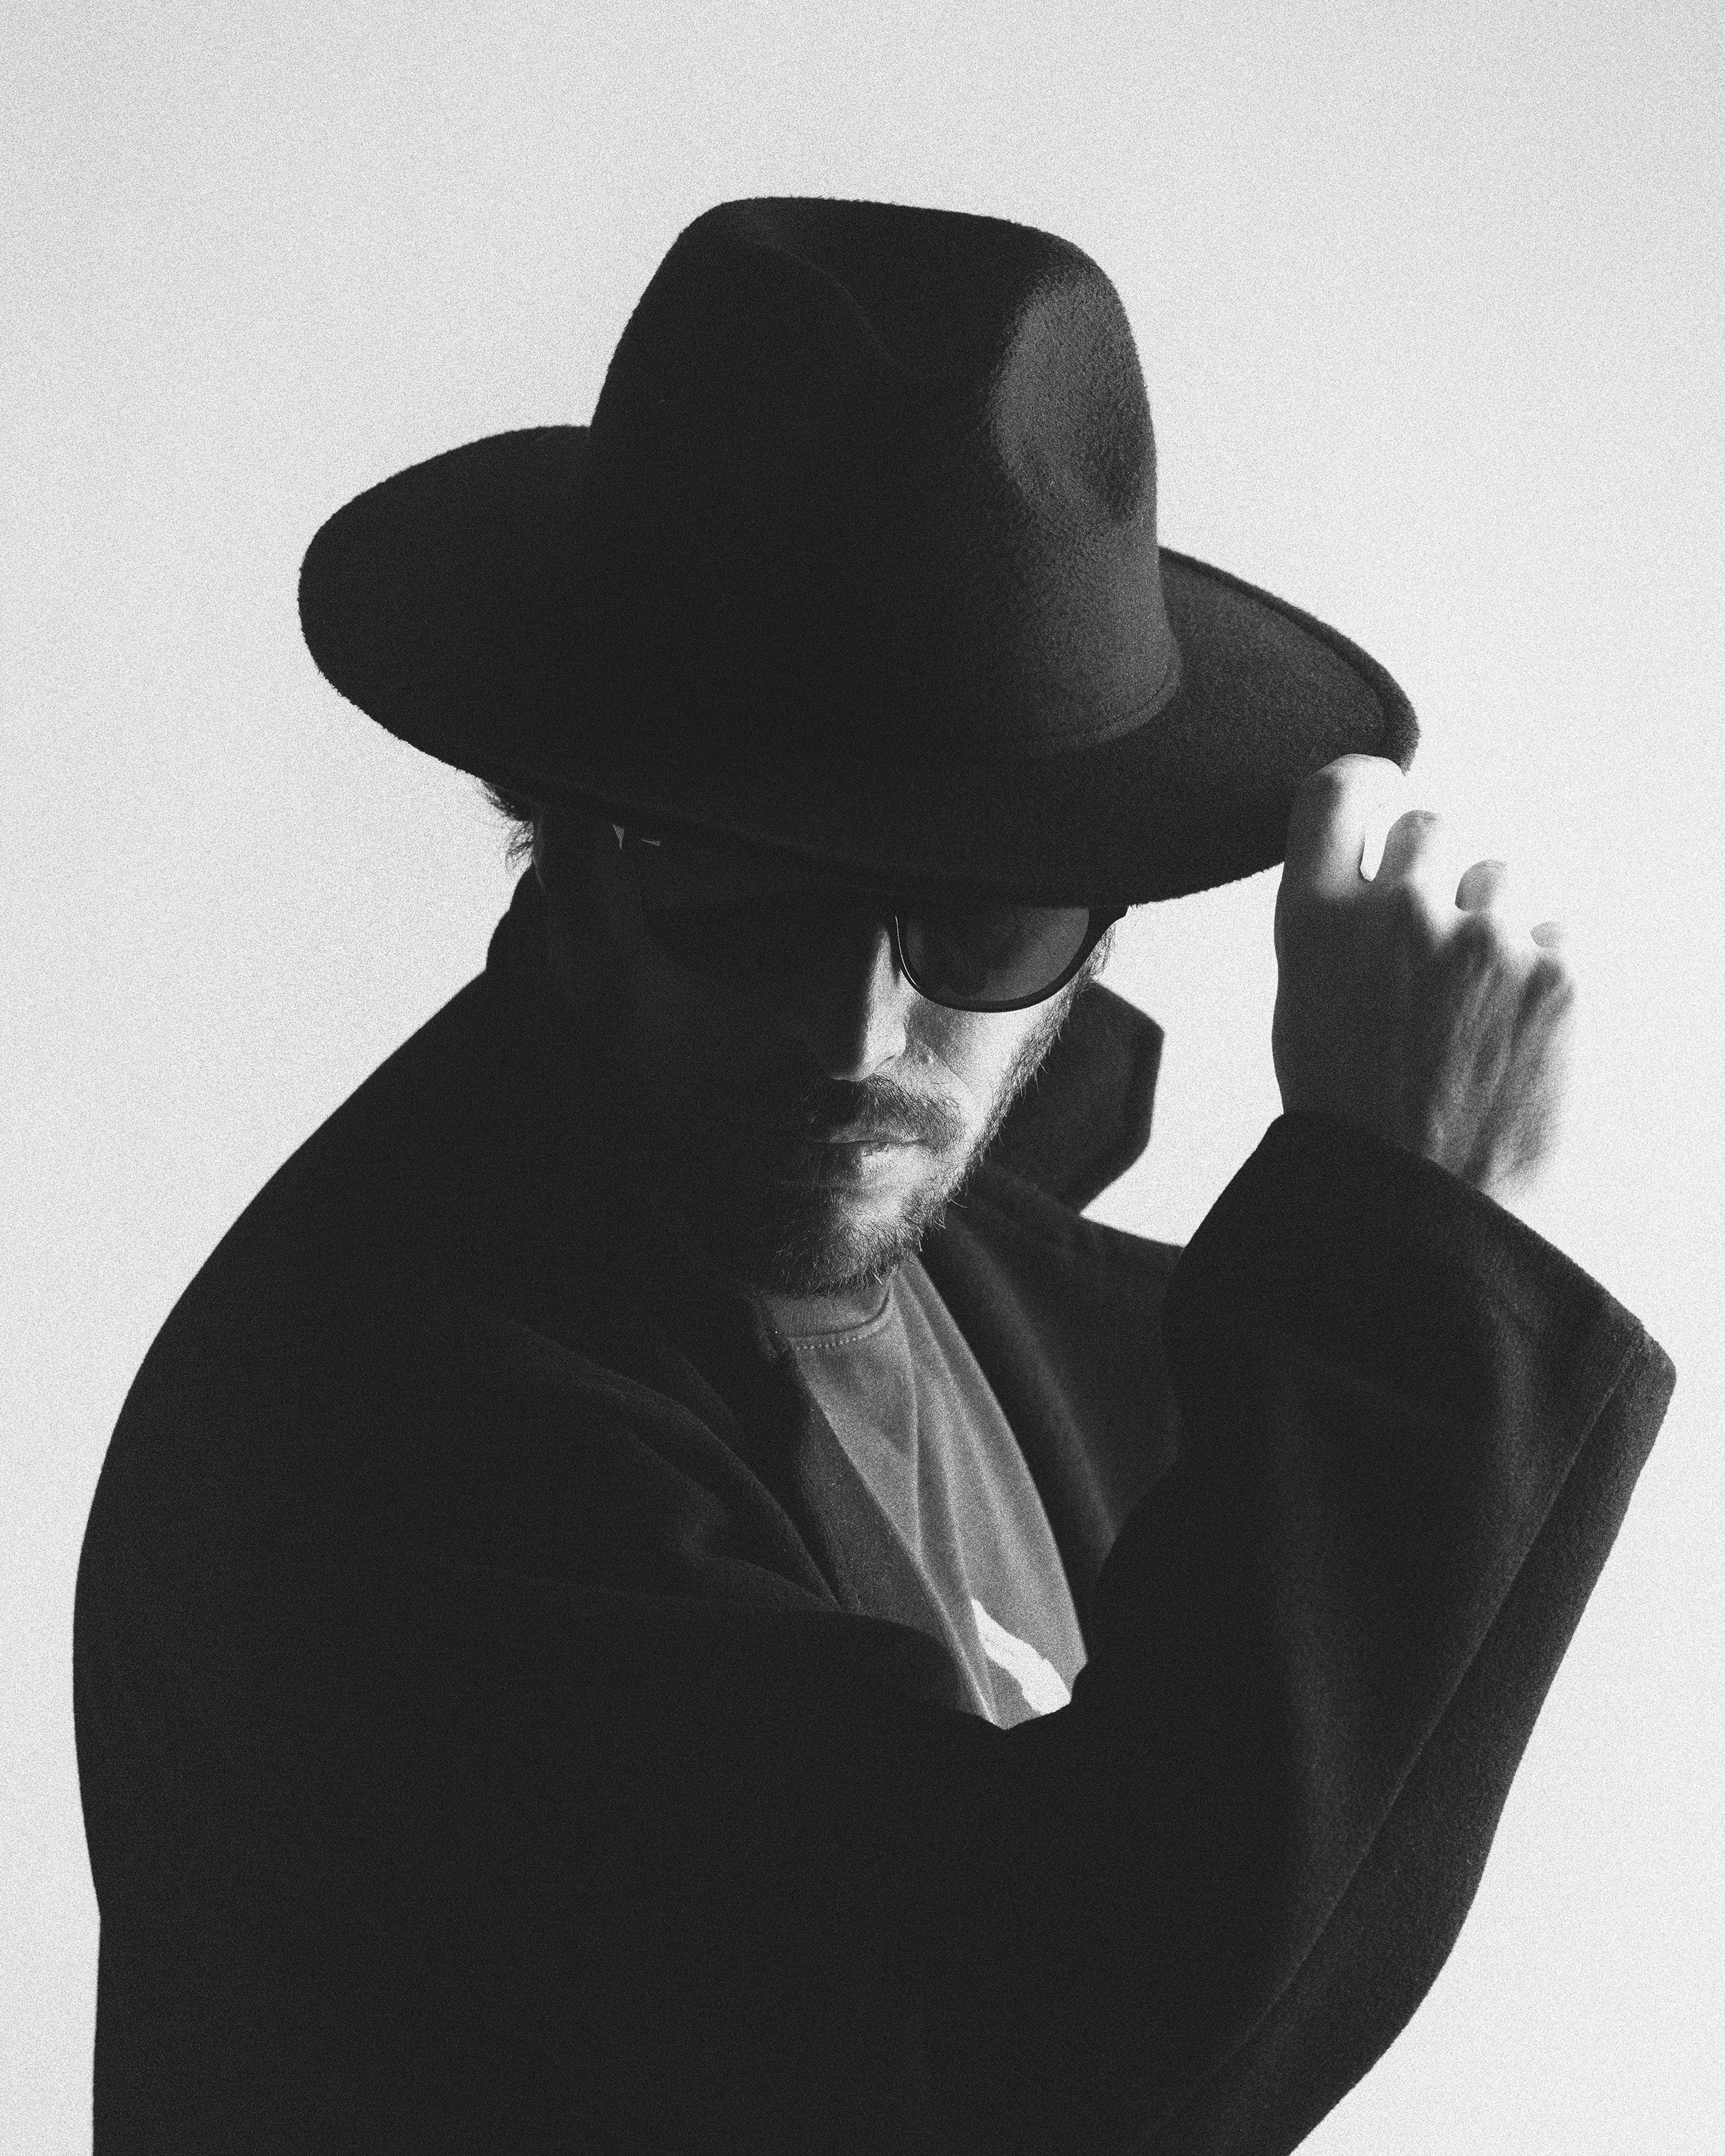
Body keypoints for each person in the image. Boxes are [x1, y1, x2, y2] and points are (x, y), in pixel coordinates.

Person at [75, 197, 1675, 2155]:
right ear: (566, 848)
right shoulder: (382, 1435)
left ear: (1096, 916)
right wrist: (1417, 1258)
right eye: (748, 893)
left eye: (978, 923)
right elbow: (1041, 2070)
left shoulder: (1012, 1307)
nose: (856, 1035)